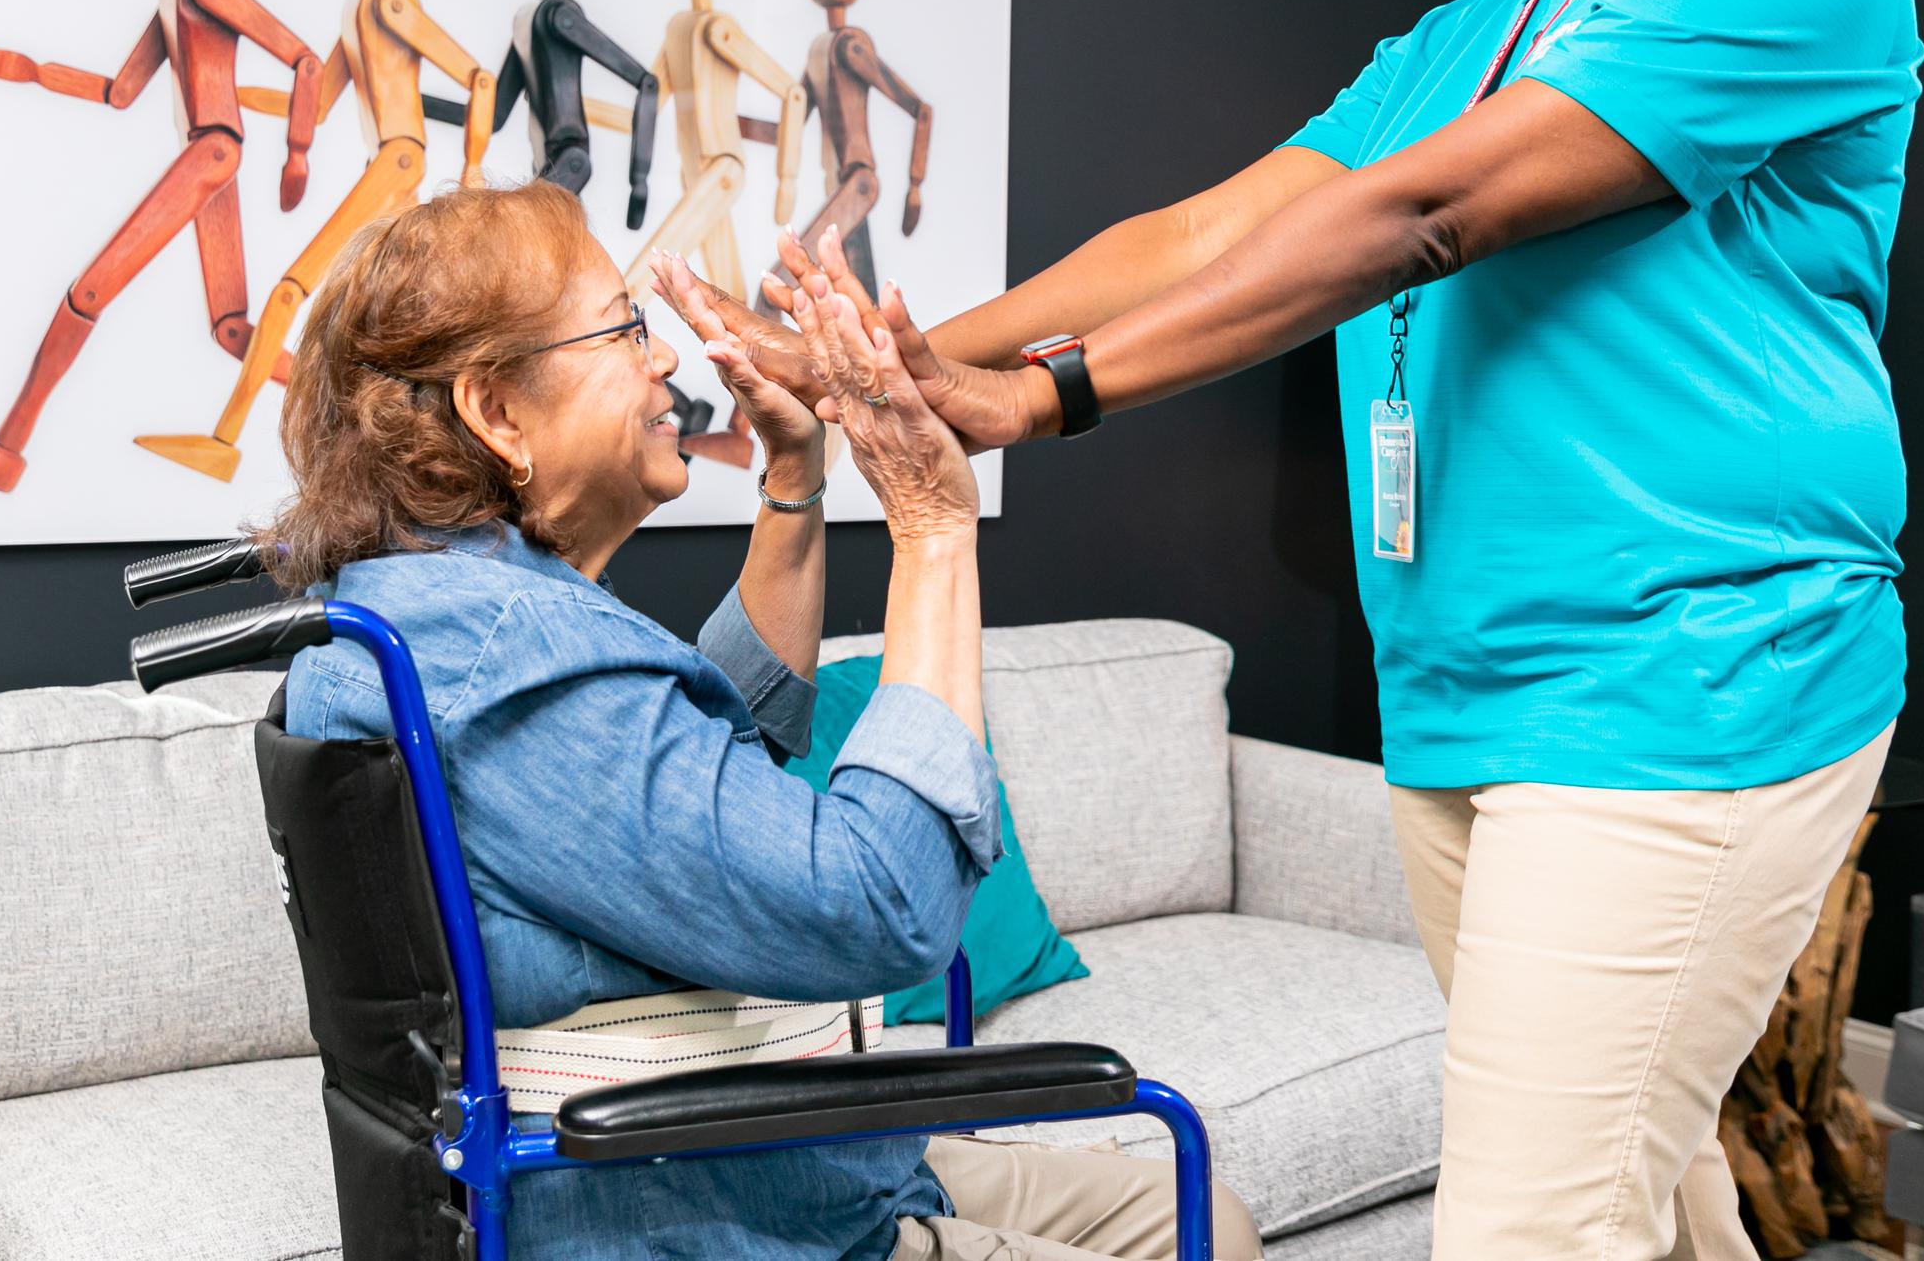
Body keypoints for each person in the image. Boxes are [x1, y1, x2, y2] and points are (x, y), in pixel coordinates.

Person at [667, 0, 1917, 1256]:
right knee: (1636, 1199)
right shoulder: (1469, 28)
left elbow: (1418, 216)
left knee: (1520, 1231)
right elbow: (1219, 220)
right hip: (1473, 702)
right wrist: (913, 360)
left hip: (1690, 691)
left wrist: (1051, 398)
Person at [262, 179, 1261, 1261]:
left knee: (1201, 1220)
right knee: (1199, 1223)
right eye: (624, 329)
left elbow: (691, 777)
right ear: (497, 413)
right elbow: (879, 903)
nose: (665, 362)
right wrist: (929, 529)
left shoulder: (423, 620)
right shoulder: (515, 662)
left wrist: (796, 479)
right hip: (726, 1216)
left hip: (755, 1169)